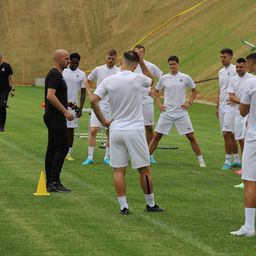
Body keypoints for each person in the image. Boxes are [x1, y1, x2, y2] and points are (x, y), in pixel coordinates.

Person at [90, 51, 164, 214]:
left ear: (121, 61)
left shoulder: (109, 80)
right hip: (135, 129)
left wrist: (103, 121)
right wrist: (143, 62)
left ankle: (123, 207)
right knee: (144, 169)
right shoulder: (138, 78)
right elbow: (152, 80)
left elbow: (93, 100)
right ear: (136, 64)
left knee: (118, 170)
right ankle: (150, 204)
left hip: (116, 129)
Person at [149, 55, 206, 167]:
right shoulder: (164, 78)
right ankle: (145, 159)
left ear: (178, 64)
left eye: (174, 64)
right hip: (167, 113)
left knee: (191, 136)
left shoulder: (185, 77)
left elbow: (195, 91)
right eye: (170, 64)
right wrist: (159, 104)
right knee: (157, 136)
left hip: (181, 113)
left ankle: (201, 160)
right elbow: (156, 91)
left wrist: (189, 103)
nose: (172, 66)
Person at [230, 53, 256, 237]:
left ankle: (249, 226)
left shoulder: (251, 83)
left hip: (254, 136)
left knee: (250, 180)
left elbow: (243, 110)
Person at [44, 49, 74, 192]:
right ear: (58, 59)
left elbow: (55, 96)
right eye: (67, 58)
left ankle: (50, 182)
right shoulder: (55, 75)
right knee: (63, 147)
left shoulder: (57, 75)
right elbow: (50, 96)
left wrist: (68, 103)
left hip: (53, 116)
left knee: (52, 148)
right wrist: (65, 111)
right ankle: (54, 182)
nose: (69, 61)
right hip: (55, 117)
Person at [83, 49, 119, 166]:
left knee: (110, 131)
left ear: (116, 59)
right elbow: (87, 81)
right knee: (93, 130)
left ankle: (107, 157)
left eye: (113, 59)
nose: (110, 60)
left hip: (111, 106)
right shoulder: (98, 69)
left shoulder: (118, 71)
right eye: (109, 58)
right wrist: (90, 94)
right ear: (105, 58)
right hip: (98, 105)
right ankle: (90, 157)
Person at [134, 45, 163, 164]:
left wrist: (156, 90)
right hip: (133, 101)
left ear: (144, 53)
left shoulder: (150, 66)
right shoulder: (131, 66)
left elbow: (163, 77)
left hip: (147, 101)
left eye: (141, 52)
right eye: (137, 52)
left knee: (149, 127)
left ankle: (149, 154)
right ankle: (134, 153)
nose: (139, 54)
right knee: (134, 127)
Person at [227, 58, 254, 178]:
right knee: (240, 140)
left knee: (245, 140)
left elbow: (239, 101)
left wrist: (242, 102)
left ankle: (246, 169)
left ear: (247, 66)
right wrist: (243, 102)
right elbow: (230, 97)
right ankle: (245, 167)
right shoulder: (233, 79)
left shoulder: (251, 79)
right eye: (237, 67)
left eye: (241, 67)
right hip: (239, 113)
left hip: (249, 114)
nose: (238, 69)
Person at [216, 48, 240, 170]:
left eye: (224, 57)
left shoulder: (236, 69)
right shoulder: (220, 72)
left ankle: (227, 161)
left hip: (231, 106)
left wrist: (235, 99)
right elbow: (220, 89)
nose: (222, 59)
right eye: (221, 57)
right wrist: (217, 106)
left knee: (227, 133)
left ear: (231, 57)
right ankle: (236, 159)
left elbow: (241, 85)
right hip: (222, 106)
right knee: (229, 134)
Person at [63, 52, 86, 161]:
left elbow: (83, 92)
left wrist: (80, 108)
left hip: (72, 106)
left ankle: (68, 153)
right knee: (59, 128)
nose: (75, 65)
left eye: (77, 63)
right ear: (69, 61)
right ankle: (59, 150)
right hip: (60, 104)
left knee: (70, 129)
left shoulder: (81, 74)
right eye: (73, 62)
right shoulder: (63, 71)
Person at [0, 52, 15, 132]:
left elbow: (11, 78)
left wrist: (13, 89)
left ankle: (2, 126)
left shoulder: (7, 66)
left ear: (1, 57)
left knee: (2, 106)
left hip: (4, 91)